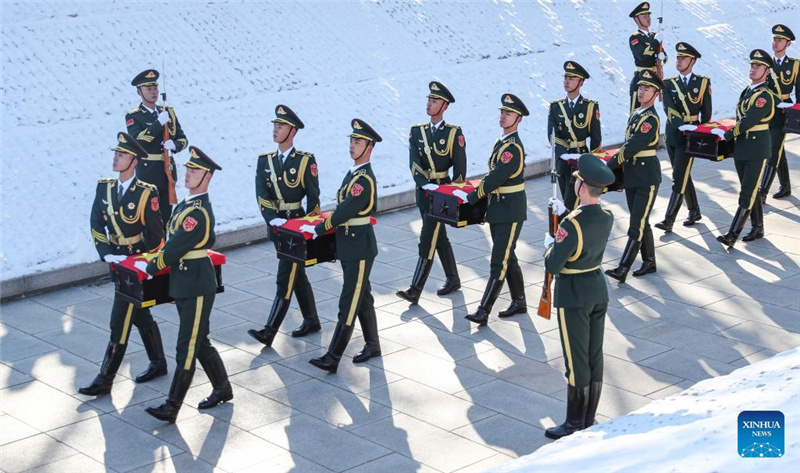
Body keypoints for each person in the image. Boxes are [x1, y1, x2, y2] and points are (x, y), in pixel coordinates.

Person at [138, 147, 232, 423]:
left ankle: (172, 405)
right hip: (184, 281)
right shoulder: (186, 205)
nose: (188, 174)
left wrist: (153, 266)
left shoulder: (197, 212)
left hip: (196, 284)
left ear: (207, 177)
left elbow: (175, 247)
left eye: (194, 171)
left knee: (186, 346)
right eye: (188, 169)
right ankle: (223, 388)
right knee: (199, 340)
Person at [80, 132, 166, 396]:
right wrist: (106, 252)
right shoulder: (104, 187)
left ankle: (105, 378)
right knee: (140, 314)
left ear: (134, 161)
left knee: (120, 319)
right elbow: (96, 223)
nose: (116, 158)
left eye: (121, 155)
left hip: (133, 266)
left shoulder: (145, 193)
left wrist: (142, 263)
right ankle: (159, 362)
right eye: (116, 154)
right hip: (115, 262)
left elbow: (156, 236)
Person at [543, 154, 616, 440]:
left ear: (583, 187)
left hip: (574, 293)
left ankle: (574, 423)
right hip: (597, 287)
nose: (573, 183)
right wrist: (563, 217)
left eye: (576, 181)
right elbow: (583, 230)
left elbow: (553, 264)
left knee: (575, 360)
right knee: (593, 354)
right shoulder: (606, 216)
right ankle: (589, 416)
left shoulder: (570, 225)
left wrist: (551, 243)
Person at [301, 119, 381, 373]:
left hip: (359, 248)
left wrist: (321, 227)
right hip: (350, 246)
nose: (352, 145)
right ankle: (373, 344)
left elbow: (345, 210)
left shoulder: (363, 179)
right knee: (362, 296)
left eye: (357, 142)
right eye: (351, 141)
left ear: (369, 147)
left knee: (349, 300)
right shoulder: (354, 173)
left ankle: (333, 357)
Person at [248, 105, 322, 346]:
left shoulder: (305, 161)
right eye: (274, 126)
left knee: (285, 277)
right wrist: (272, 218)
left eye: (280, 127)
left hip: (295, 229)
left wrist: (308, 227)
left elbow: (313, 197)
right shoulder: (264, 161)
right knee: (297, 274)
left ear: (292, 131)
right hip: (277, 227)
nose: (275, 130)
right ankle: (311, 320)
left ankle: (269, 331)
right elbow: (261, 194)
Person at [453, 94, 529, 326]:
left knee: (499, 260)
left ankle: (483, 310)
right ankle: (519, 300)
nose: (503, 116)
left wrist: (472, 196)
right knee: (508, 255)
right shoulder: (502, 142)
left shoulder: (512, 148)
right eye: (502, 112)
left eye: (508, 114)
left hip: (510, 211)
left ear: (518, 119)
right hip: (499, 209)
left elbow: (495, 177)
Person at [396, 81, 467, 304]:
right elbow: (414, 162)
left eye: (434, 101)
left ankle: (415, 289)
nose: (429, 104)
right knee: (439, 236)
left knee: (428, 236)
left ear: (444, 106)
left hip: (442, 196)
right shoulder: (417, 132)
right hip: (424, 193)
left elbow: (460, 168)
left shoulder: (454, 133)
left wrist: (450, 193)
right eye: (428, 99)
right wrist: (424, 183)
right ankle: (453, 278)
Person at [605, 70, 663, 283]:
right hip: (633, 175)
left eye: (646, 89)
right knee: (641, 219)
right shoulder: (637, 113)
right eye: (640, 88)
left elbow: (631, 147)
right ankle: (649, 261)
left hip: (646, 177)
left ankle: (623, 268)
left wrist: (609, 165)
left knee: (637, 222)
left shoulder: (650, 120)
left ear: (655, 93)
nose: (641, 92)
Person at [716, 50, 776, 248]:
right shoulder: (747, 91)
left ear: (766, 71)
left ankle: (732, 234)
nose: (753, 69)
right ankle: (758, 227)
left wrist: (728, 134)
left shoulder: (764, 96)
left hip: (756, 148)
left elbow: (748, 120)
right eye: (752, 65)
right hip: (743, 147)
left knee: (748, 192)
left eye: (757, 66)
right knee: (749, 189)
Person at [654, 42, 712, 232]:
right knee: (682, 173)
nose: (679, 61)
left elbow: (707, 112)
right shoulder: (669, 84)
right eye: (678, 58)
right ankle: (694, 210)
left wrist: (701, 134)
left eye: (683, 58)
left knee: (678, 176)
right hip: (674, 134)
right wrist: (682, 126)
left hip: (692, 137)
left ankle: (669, 219)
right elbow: (669, 109)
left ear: (692, 61)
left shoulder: (702, 83)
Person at [126, 69, 188, 226]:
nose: (153, 92)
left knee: (166, 216)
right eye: (149, 89)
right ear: (139, 92)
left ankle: (165, 247)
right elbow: (137, 141)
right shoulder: (134, 116)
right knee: (150, 216)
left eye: (155, 88)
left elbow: (183, 139)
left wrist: (175, 145)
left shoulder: (168, 112)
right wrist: (157, 124)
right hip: (148, 172)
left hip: (167, 170)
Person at [548, 61, 602, 211]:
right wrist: (562, 155)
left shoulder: (590, 106)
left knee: (572, 202)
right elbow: (552, 135)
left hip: (581, 160)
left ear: (581, 82)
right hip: (562, 162)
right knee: (566, 197)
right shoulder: (556, 107)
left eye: (571, 78)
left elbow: (596, 138)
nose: (567, 81)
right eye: (565, 78)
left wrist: (592, 163)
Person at [760, 24, 798, 202]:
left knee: (772, 150)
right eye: (774, 39)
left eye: (780, 40)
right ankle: (785, 186)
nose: (775, 43)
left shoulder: (795, 65)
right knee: (777, 148)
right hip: (767, 112)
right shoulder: (764, 64)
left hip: (784, 113)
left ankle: (762, 193)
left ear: (788, 44)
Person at [627, 2, 664, 115]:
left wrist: (663, 57)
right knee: (636, 112)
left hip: (654, 78)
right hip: (641, 78)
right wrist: (656, 42)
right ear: (637, 19)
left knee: (649, 112)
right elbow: (642, 56)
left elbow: (662, 55)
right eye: (644, 16)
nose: (648, 19)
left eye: (649, 16)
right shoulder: (635, 37)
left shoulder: (654, 35)